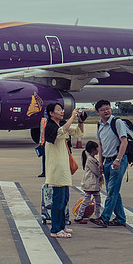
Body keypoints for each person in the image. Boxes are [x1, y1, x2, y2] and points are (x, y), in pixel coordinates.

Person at [43, 102, 84, 238]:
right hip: (57, 169)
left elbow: (77, 132)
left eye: (62, 109)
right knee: (58, 202)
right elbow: (60, 133)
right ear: (51, 113)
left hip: (63, 169)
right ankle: (55, 230)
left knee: (64, 199)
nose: (61, 112)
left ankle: (61, 226)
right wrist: (72, 116)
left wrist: (80, 121)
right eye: (59, 110)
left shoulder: (60, 125)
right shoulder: (50, 126)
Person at [95, 99, 130, 226]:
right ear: (98, 112)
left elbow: (124, 141)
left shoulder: (117, 122)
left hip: (117, 160)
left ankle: (104, 218)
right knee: (113, 191)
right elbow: (101, 144)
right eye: (103, 110)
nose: (106, 111)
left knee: (112, 191)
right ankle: (120, 219)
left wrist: (118, 160)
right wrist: (101, 162)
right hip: (108, 161)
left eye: (108, 108)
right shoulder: (99, 125)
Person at [73, 140, 103, 225]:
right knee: (86, 201)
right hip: (91, 184)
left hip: (94, 184)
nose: (98, 150)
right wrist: (101, 171)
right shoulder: (90, 160)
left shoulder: (91, 159)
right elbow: (96, 172)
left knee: (97, 201)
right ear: (93, 150)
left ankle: (97, 216)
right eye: (97, 149)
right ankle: (79, 216)